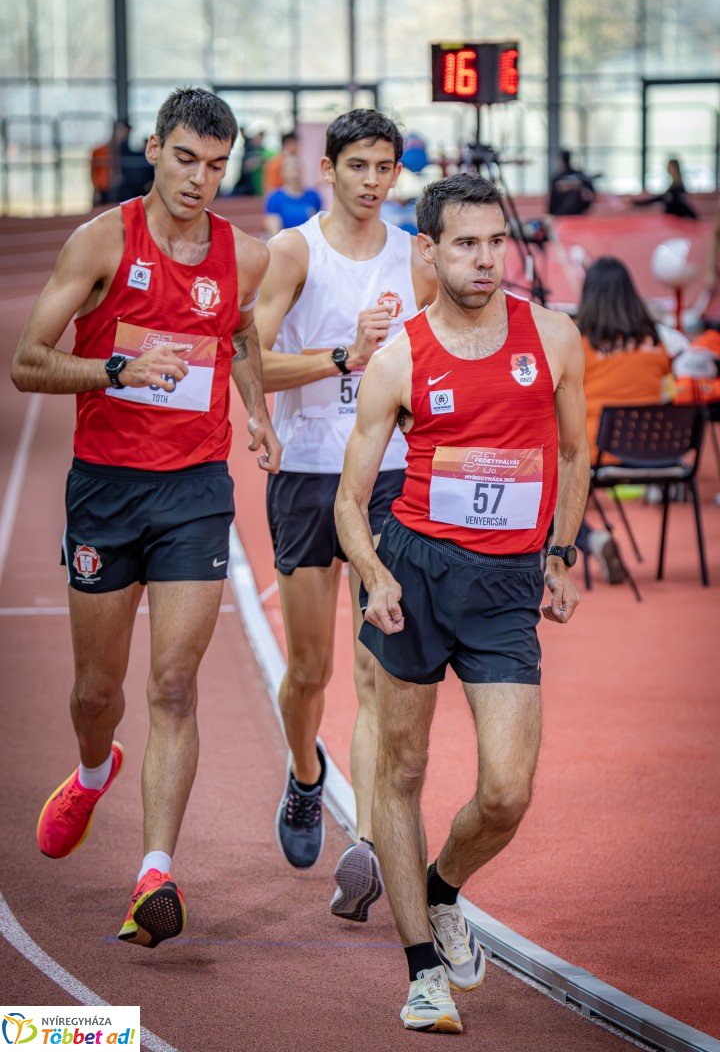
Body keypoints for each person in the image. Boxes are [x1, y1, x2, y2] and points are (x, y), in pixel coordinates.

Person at [11, 86, 281, 948]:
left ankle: (155, 873)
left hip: (196, 489)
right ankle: (94, 771)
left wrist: (258, 410)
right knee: (100, 692)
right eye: (186, 158)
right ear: (156, 150)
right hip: (106, 487)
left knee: (172, 684)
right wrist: (117, 371)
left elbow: (239, 337)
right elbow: (26, 363)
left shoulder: (245, 254)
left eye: (217, 163)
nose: (201, 178)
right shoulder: (103, 240)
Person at [335, 173, 589, 1033]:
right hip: (417, 575)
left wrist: (561, 552)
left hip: (506, 588)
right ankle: (420, 972)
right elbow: (350, 497)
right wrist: (375, 577)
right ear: (430, 251)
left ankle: (443, 887)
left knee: (508, 791)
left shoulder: (553, 336)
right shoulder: (401, 355)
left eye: (494, 242)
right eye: (465, 244)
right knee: (399, 775)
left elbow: (579, 454)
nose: (485, 259)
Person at [255, 108, 436, 920]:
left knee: (373, 671)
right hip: (306, 477)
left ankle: (365, 843)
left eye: (385, 167)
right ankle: (304, 777)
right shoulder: (295, 250)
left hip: (389, 480)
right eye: (357, 166)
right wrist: (344, 356)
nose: (372, 181)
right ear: (327, 168)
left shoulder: (416, 258)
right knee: (310, 671)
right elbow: (250, 362)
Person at [575, 256, 673, 579]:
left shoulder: (578, 343)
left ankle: (592, 538)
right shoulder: (656, 342)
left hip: (596, 454)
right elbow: (668, 393)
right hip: (657, 452)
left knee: (540, 480)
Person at [264, 154, 322, 236]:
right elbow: (273, 227)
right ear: (282, 172)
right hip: (284, 243)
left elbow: (318, 225)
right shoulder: (275, 198)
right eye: (290, 169)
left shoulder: (313, 196)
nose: (294, 173)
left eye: (297, 168)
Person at [631, 157, 698, 219]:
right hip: (672, 219)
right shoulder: (674, 187)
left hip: (675, 220)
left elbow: (681, 206)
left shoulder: (677, 189)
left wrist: (694, 218)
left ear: (674, 169)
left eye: (669, 167)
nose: (667, 169)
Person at [548, 149, 596, 216]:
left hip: (576, 213)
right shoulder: (558, 178)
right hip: (561, 213)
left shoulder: (581, 177)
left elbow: (589, 196)